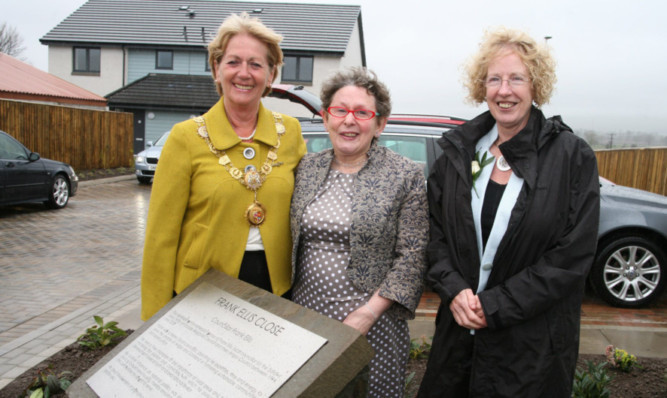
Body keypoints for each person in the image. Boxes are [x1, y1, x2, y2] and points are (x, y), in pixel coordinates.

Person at [417, 28, 600, 397]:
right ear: (481, 87)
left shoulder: (571, 156)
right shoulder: (458, 153)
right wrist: (454, 291)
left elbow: (571, 255)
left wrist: (494, 305)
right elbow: (433, 234)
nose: (504, 90)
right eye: (494, 79)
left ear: (536, 86)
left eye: (517, 78)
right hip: (458, 338)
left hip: (529, 349)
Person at [141, 13, 306, 321]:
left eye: (256, 64)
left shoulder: (291, 132)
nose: (244, 73)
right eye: (233, 62)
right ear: (216, 69)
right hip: (201, 290)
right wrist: (154, 316)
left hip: (276, 286)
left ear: (271, 75)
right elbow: (160, 238)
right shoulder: (185, 138)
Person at [290, 67, 429, 398]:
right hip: (307, 316)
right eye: (340, 110)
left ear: (379, 123)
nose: (349, 121)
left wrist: (368, 313)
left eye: (362, 112)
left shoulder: (405, 174)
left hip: (372, 323)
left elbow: (413, 254)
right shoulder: (306, 168)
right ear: (326, 118)